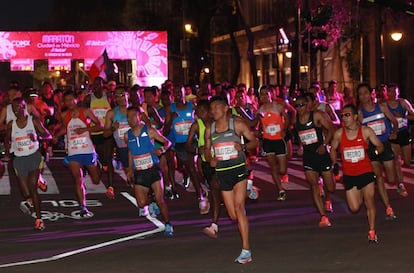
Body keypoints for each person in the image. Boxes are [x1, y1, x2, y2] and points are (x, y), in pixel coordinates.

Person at [204, 95, 258, 264]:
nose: (213, 111)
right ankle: (251, 189)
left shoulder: (238, 124)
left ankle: (246, 250)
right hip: (222, 173)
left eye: (216, 107)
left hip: (239, 170)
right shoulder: (209, 130)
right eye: (211, 109)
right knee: (233, 215)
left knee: (239, 208)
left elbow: (254, 142)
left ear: (226, 108)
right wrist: (209, 158)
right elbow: (206, 150)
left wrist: (242, 146)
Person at [330, 104, 384, 242]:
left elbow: (380, 146)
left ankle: (372, 231)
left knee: (369, 201)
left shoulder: (366, 131)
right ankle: (359, 192)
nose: (344, 118)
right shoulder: (339, 133)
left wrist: (375, 152)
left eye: (347, 115)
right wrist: (334, 163)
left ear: (355, 117)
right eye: (342, 115)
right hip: (350, 175)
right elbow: (333, 149)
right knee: (354, 208)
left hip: (365, 172)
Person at [53, 90, 102, 217]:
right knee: (78, 179)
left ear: (76, 100)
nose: (69, 103)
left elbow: (99, 125)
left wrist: (85, 129)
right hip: (73, 151)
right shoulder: (64, 115)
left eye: (71, 99)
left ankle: (97, 163)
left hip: (87, 150)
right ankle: (83, 206)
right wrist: (57, 135)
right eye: (66, 100)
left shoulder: (85, 111)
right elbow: (66, 128)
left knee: (96, 179)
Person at [125, 106, 174, 236]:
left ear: (139, 117)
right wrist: (129, 168)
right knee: (141, 203)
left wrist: (162, 150)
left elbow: (167, 142)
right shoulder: (127, 135)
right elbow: (130, 151)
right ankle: (150, 200)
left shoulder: (149, 131)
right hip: (139, 171)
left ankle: (168, 224)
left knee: (160, 200)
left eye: (132, 116)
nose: (130, 119)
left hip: (153, 169)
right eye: (128, 117)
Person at [6, 97, 52, 230]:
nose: (15, 111)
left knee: (32, 189)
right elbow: (7, 139)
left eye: (17, 107)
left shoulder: (34, 121)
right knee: (26, 194)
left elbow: (48, 136)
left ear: (23, 106)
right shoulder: (11, 125)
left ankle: (39, 220)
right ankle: (40, 181)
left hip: (33, 157)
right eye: (13, 109)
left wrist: (37, 137)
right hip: (19, 160)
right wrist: (8, 149)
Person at [164, 85, 209, 214]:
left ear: (185, 93)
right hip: (179, 144)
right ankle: (198, 188)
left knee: (191, 167)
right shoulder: (170, 109)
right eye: (175, 92)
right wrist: (170, 120)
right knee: (186, 167)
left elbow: (202, 121)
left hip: (192, 142)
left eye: (180, 92)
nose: (178, 94)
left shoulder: (192, 106)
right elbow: (165, 131)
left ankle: (200, 196)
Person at [357, 83, 399, 219]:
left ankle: (396, 164)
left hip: (385, 144)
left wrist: (394, 132)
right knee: (379, 177)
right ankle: (388, 208)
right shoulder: (360, 113)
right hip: (371, 148)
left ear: (371, 94)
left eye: (365, 93)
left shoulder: (381, 107)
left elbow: (394, 121)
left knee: (391, 179)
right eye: (360, 94)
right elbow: (359, 131)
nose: (363, 96)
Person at [293, 95, 336, 226]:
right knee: (314, 186)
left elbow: (331, 129)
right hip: (309, 157)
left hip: (321, 154)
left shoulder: (317, 115)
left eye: (301, 105)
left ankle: (328, 199)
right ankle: (323, 216)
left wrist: (324, 145)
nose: (299, 108)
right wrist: (301, 148)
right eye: (297, 106)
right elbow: (301, 138)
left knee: (331, 187)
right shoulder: (296, 122)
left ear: (307, 105)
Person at [185, 100, 221, 238]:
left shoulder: (219, 123)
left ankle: (214, 224)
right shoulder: (196, 125)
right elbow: (187, 145)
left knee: (215, 188)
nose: (199, 114)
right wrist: (196, 150)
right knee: (214, 191)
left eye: (202, 111)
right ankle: (215, 222)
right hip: (206, 163)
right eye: (198, 111)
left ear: (209, 112)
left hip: (221, 162)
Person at [83, 77, 115, 199]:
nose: (95, 86)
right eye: (94, 84)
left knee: (108, 157)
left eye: (98, 84)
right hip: (93, 133)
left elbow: (115, 112)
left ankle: (111, 187)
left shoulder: (109, 98)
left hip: (106, 132)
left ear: (103, 85)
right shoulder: (88, 99)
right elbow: (83, 114)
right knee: (91, 158)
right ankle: (84, 179)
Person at [385, 83, 413, 197]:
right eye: (390, 91)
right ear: (387, 93)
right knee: (396, 160)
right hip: (393, 135)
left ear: (398, 92)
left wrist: (403, 117)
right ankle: (401, 184)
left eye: (394, 91)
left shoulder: (403, 103)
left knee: (407, 161)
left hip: (404, 133)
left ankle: (401, 160)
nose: (392, 93)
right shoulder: (384, 105)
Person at [103, 85, 131, 198]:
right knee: (130, 174)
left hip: (137, 148)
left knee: (141, 175)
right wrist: (113, 128)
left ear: (127, 95)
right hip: (123, 148)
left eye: (122, 95)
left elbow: (147, 126)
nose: (120, 98)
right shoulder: (111, 113)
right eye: (117, 96)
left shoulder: (135, 110)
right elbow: (105, 134)